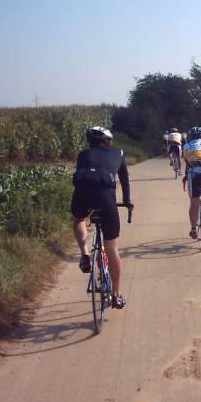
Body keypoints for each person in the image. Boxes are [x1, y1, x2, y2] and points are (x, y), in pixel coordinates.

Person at [71, 126, 132, 309]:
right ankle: (115, 295)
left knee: (79, 219)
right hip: (106, 197)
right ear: (107, 141)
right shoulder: (118, 153)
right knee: (112, 248)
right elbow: (125, 179)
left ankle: (85, 254)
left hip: (83, 195)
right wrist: (127, 201)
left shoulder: (83, 155)